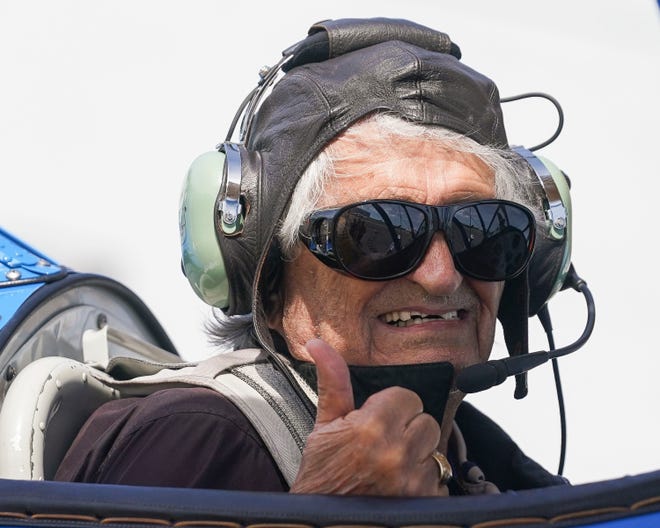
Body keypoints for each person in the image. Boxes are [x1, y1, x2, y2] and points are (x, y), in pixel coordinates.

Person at [55, 17, 571, 496]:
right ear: (272, 280)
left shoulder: (481, 455)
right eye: (376, 234)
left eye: (483, 230)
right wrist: (328, 510)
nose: (440, 276)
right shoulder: (195, 440)